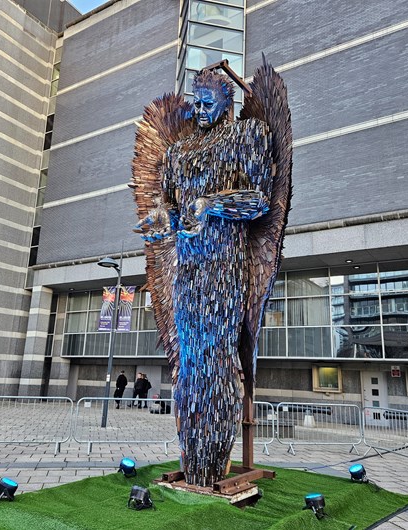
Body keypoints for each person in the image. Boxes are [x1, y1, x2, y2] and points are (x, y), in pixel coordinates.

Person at [132, 60, 291, 486]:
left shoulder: (248, 136)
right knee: (188, 359)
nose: (200, 112)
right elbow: (168, 203)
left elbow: (260, 201)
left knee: (217, 357)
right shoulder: (177, 153)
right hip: (187, 266)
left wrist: (213, 204)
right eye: (196, 105)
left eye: (208, 104)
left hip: (225, 267)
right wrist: (161, 218)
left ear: (227, 101)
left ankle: (214, 458)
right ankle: (192, 455)